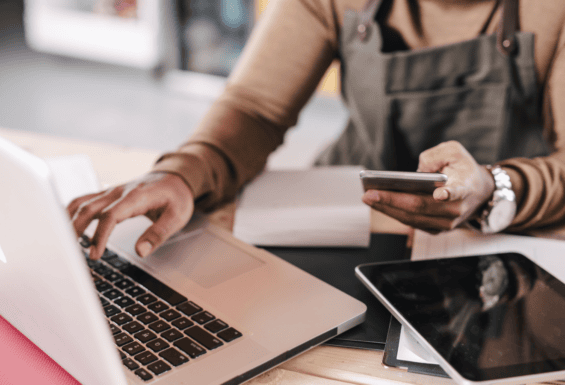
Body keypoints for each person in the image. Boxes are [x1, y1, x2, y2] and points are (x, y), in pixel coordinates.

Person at [68, 0, 565, 260]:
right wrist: (183, 173)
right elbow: (256, 106)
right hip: (349, 218)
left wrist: (492, 189)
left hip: (502, 237)